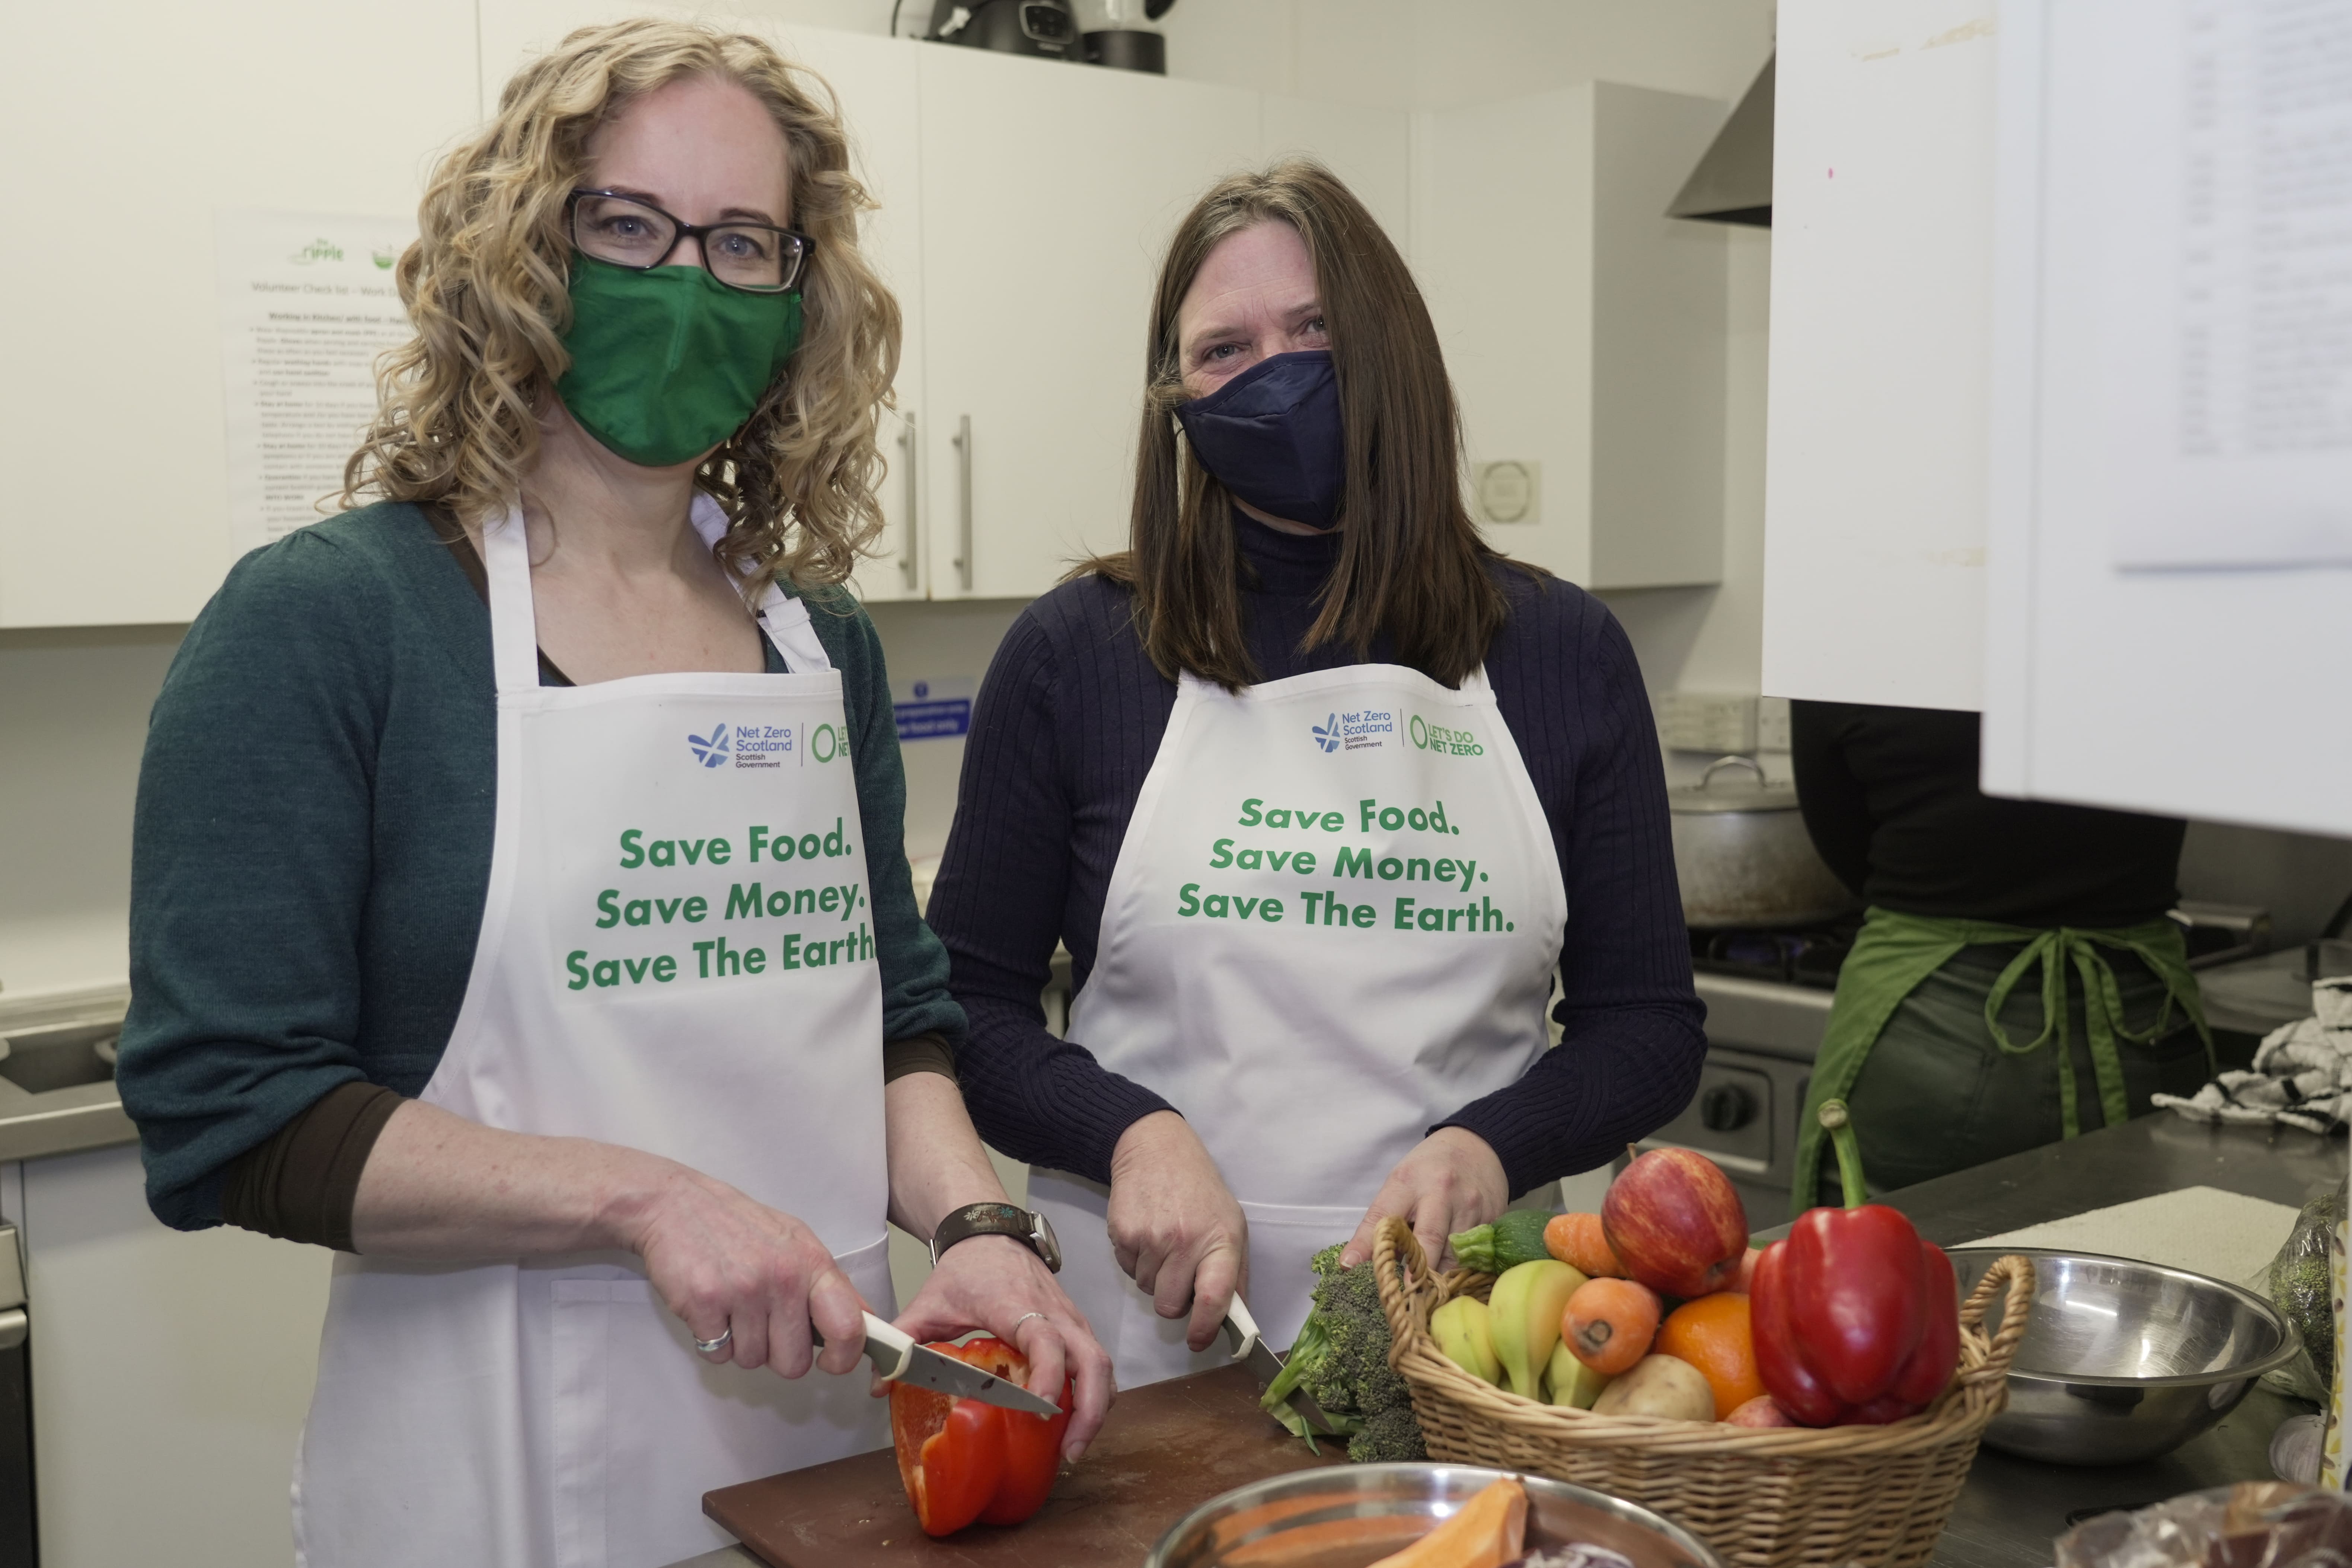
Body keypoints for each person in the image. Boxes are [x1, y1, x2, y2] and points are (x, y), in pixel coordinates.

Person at [115, 20, 1107, 1567]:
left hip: (827, 1466)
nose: (686, 283)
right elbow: (225, 1110)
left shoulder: (813, 639)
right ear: (524, 250)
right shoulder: (332, 619)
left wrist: (977, 1228)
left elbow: (899, 1022)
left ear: (803, 297)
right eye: (629, 227)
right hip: (485, 1477)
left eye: (742, 243)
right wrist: (643, 1200)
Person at [923, 160, 1707, 1385]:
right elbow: (964, 1008)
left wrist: (1495, 1145)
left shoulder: (1562, 656)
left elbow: (1648, 1027)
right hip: (1141, 1345)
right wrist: (1128, 1130)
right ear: (1176, 397)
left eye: (1314, 330)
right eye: (1224, 348)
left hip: (1474, 1335)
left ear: (1391, 344)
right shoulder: (1077, 656)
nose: (1275, 372)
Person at [1788, 700, 2212, 1207]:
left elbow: (1842, 832)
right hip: (2140, 1025)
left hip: (1915, 1030)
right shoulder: (2171, 626)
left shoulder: (1847, 628)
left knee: (1882, 1278)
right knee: (2141, 1277)